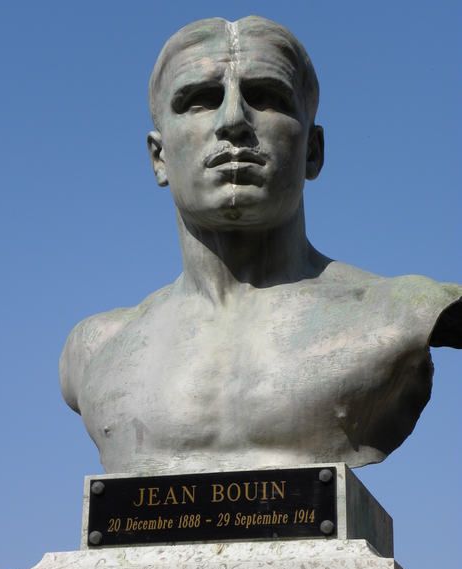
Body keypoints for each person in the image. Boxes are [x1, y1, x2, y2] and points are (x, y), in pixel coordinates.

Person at [60, 16, 461, 475]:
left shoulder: (401, 314)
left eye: (267, 97)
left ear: (312, 151)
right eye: (200, 101)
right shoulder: (95, 348)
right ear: (159, 157)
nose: (233, 120)